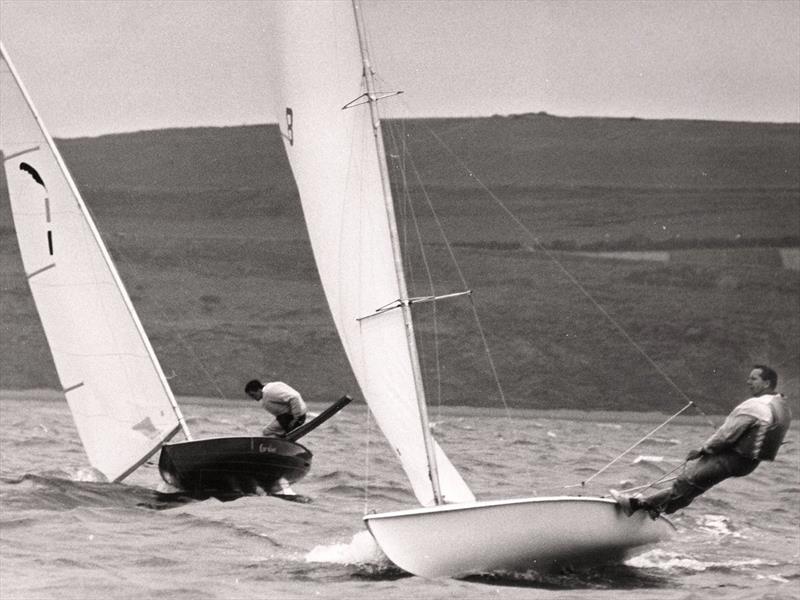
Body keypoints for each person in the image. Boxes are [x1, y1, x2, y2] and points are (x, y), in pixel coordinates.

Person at [612, 364, 792, 518]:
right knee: (696, 486)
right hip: (748, 464)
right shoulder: (782, 407)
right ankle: (655, 508)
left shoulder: (756, 405)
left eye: (754, 379)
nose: (748, 382)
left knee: (687, 481)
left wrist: (702, 449)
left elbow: (726, 435)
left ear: (767, 383)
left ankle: (637, 506)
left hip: (730, 459)